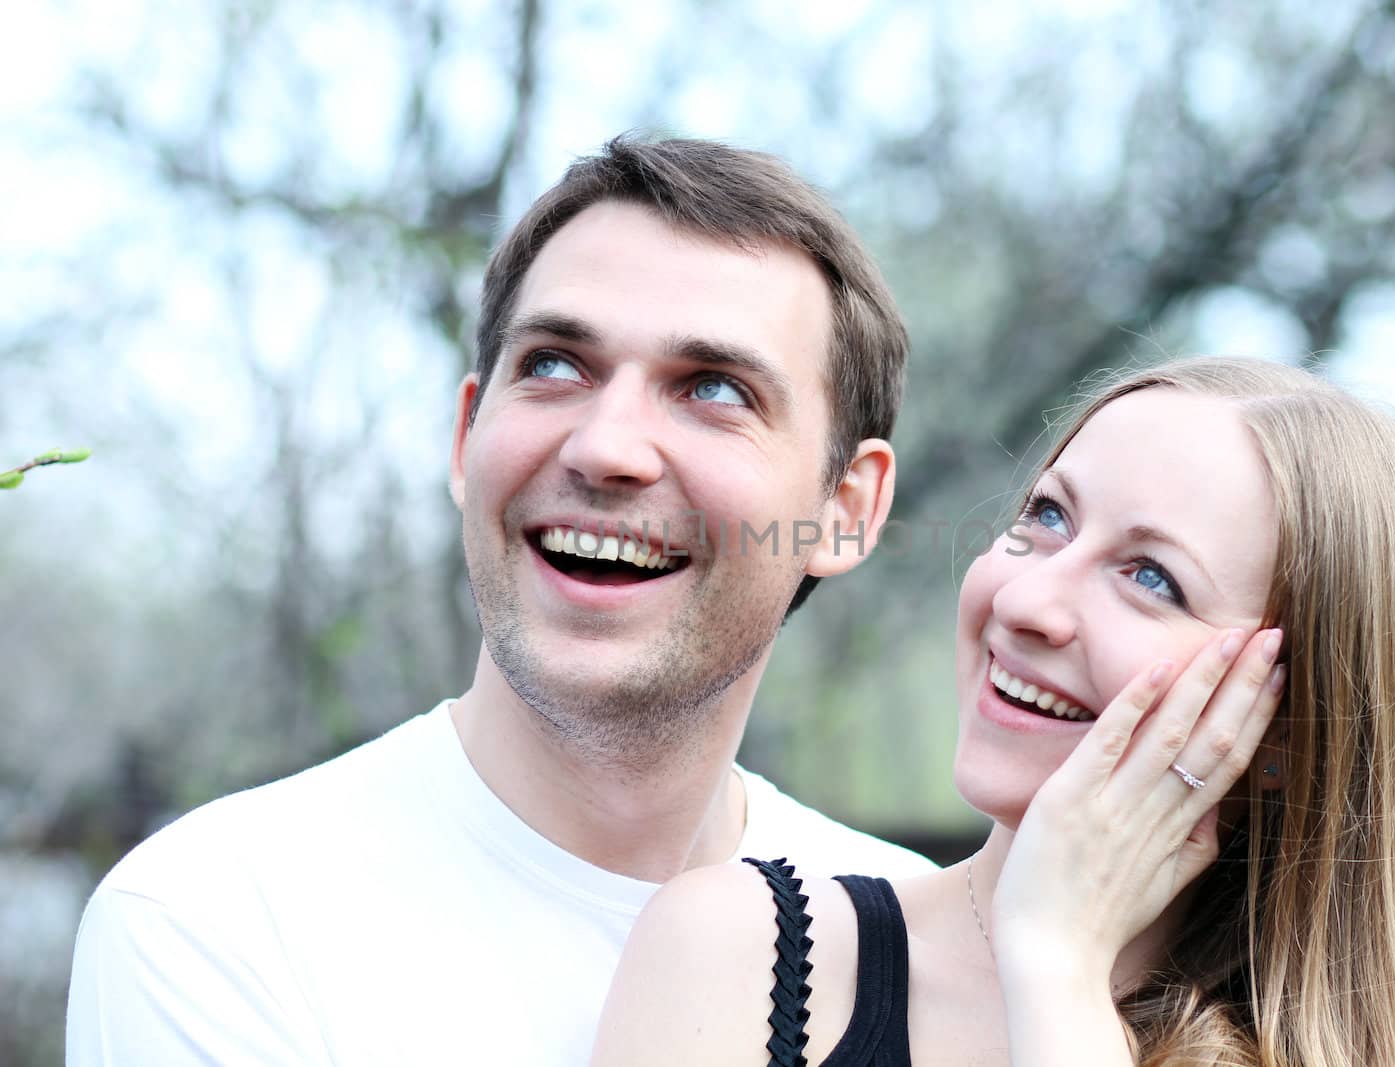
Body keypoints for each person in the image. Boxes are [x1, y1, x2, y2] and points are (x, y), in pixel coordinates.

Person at [64, 136, 935, 1065]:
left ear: (845, 510)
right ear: (464, 436)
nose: (607, 448)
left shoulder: (921, 956)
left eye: (713, 389)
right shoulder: (217, 921)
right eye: (556, 365)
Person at [593, 357, 1395, 1066]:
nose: (1027, 601)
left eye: (1150, 577)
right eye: (1046, 518)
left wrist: (1058, 967)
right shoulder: (742, 958)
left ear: (1292, 728)